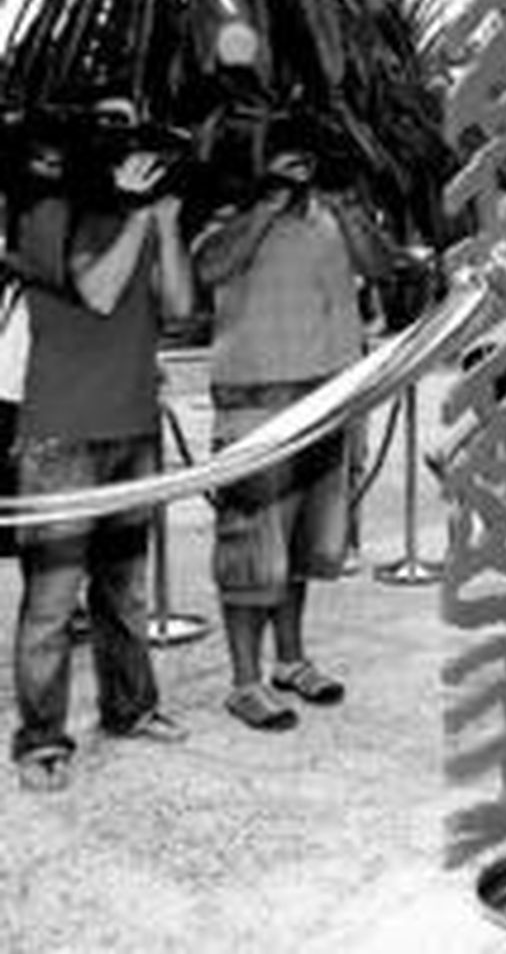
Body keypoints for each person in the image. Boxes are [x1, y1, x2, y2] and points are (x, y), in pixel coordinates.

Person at [9, 113, 196, 793]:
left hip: (133, 427)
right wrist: (142, 216)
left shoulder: (140, 218)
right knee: (53, 601)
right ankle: (40, 740)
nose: (131, 149)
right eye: (111, 134)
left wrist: (167, 225)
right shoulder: (42, 215)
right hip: (62, 435)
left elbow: (177, 307)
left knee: (124, 591)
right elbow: (98, 291)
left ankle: (130, 707)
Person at [193, 144, 394, 731]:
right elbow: (209, 269)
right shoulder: (229, 214)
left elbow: (382, 267)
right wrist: (265, 204)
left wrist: (351, 207)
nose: (300, 171)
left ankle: (290, 660)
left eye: (306, 161)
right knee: (250, 547)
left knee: (306, 547)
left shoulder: (332, 215)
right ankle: (244, 682)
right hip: (256, 404)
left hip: (330, 399)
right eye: (286, 161)